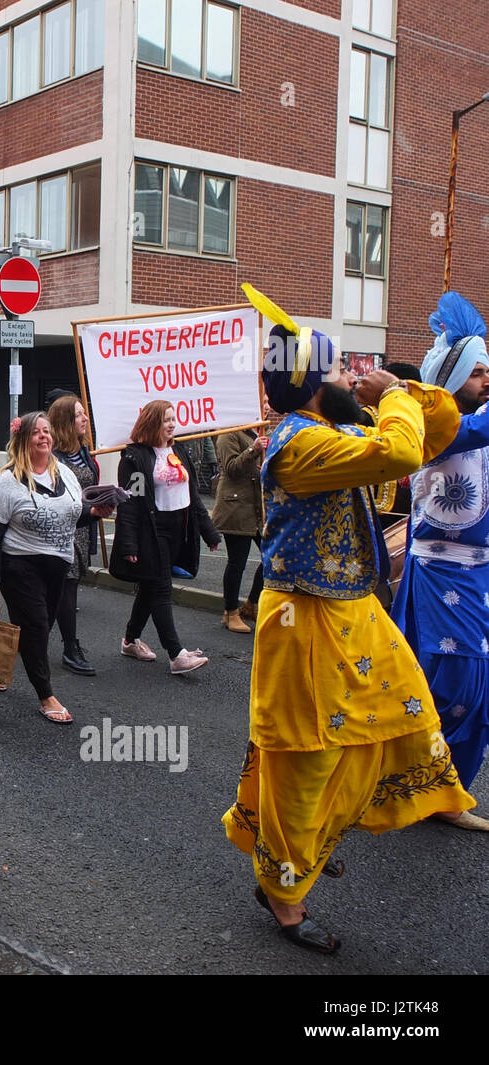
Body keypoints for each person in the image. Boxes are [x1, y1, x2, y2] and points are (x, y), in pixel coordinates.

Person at [221, 297, 475, 954]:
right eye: (335, 369)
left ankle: (308, 847)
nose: (347, 376)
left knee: (403, 727)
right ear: (311, 382)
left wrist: (405, 392)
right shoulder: (302, 442)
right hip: (303, 621)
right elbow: (399, 452)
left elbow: (433, 432)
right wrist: (392, 394)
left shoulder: (335, 432)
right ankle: (282, 887)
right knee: (308, 761)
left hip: (355, 615)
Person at [392, 291, 489, 828]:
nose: (486, 381)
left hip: (477, 574)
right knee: (455, 683)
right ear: (450, 381)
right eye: (477, 373)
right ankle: (424, 787)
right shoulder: (436, 428)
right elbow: (466, 429)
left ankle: (441, 791)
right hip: (443, 571)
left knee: (471, 689)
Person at [0, 413, 111, 723]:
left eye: (47, 431)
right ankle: (46, 695)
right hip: (20, 565)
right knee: (38, 626)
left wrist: (95, 512)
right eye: (36, 432)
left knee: (40, 626)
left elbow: (72, 515)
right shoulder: (7, 483)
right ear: (24, 439)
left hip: (58, 566)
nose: (44, 436)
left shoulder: (65, 474)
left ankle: (0, 666)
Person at [109, 400, 220, 674]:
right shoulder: (135, 457)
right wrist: (129, 544)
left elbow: (192, 496)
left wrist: (209, 532)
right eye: (166, 420)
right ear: (152, 423)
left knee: (150, 587)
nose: (172, 424)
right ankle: (176, 654)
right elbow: (131, 503)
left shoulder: (179, 450)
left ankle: (129, 640)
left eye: (174, 419)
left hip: (178, 530)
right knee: (161, 588)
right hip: (152, 530)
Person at [47, 394, 103, 676]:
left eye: (84, 413)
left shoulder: (84, 452)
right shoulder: (52, 457)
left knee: (57, 594)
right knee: (65, 590)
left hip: (81, 530)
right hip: (58, 532)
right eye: (79, 414)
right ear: (66, 421)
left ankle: (26, 643)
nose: (84, 419)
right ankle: (71, 647)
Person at [210, 400, 271, 634]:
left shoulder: (257, 429)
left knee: (271, 557)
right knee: (238, 562)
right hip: (235, 508)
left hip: (257, 508)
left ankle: (251, 603)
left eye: (267, 402)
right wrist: (253, 449)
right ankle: (230, 612)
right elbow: (231, 468)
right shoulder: (229, 433)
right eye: (261, 401)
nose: (266, 406)